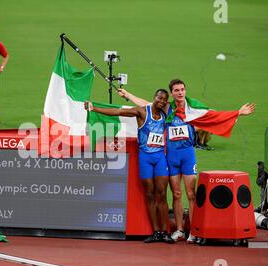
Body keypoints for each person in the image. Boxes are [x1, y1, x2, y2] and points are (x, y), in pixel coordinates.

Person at [118, 80, 255, 243]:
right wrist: (128, 95)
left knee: (191, 194)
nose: (180, 92)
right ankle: (180, 229)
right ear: (172, 93)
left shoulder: (193, 111)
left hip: (188, 155)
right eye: (176, 90)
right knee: (176, 194)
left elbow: (215, 117)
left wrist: (238, 113)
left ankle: (195, 230)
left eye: (182, 89)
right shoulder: (167, 108)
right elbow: (147, 105)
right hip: (172, 156)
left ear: (185, 91)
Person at [85, 89, 174, 244]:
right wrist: (95, 108)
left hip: (160, 158)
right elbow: (118, 112)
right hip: (145, 158)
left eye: (164, 99)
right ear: (154, 98)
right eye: (159, 98)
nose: (161, 101)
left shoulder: (165, 114)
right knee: (150, 194)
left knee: (162, 195)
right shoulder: (141, 112)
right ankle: (155, 232)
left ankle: (165, 232)